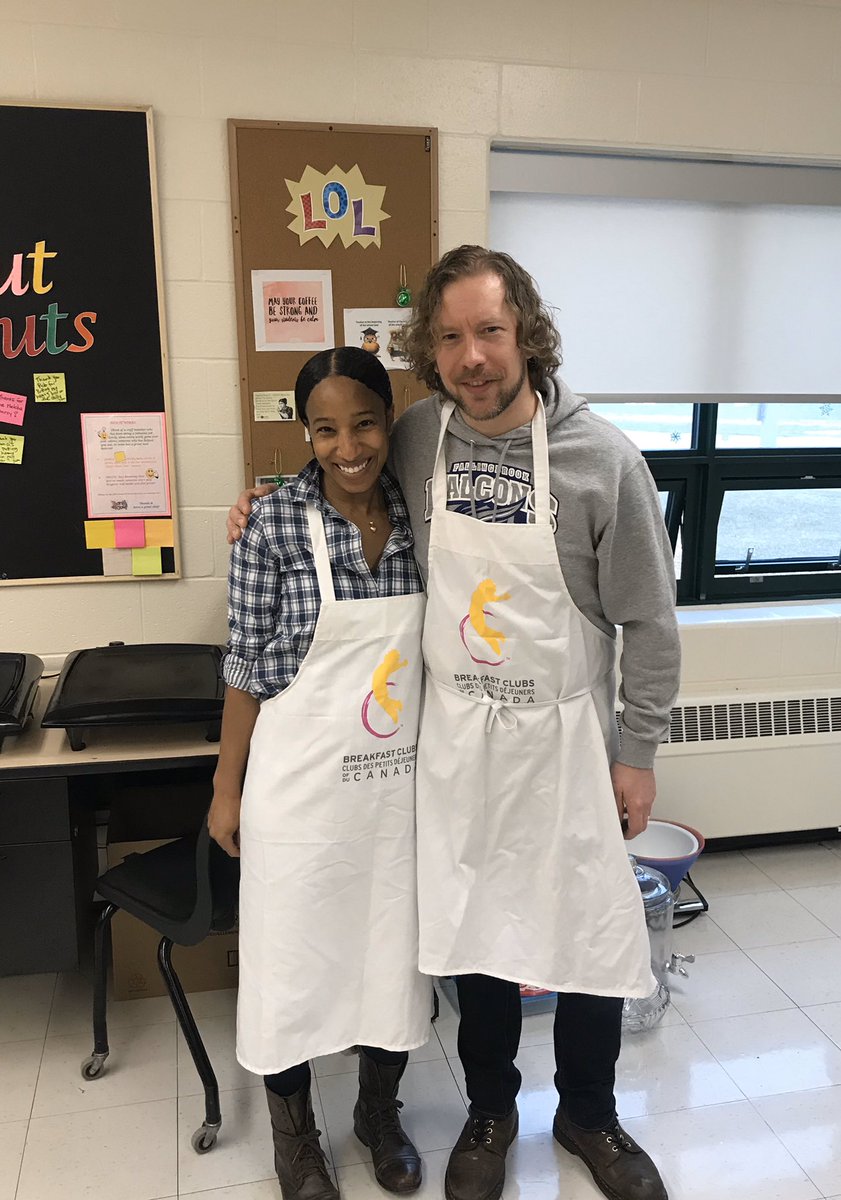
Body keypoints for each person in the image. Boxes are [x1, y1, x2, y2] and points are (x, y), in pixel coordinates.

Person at [228, 247, 681, 1200]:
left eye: (489, 331)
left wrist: (636, 754)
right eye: (449, 337)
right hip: (456, 738)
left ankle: (590, 1115)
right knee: (478, 931)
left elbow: (649, 622)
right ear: (428, 354)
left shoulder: (606, 462)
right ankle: (489, 1111)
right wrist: (255, 509)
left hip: (567, 738)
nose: (472, 355)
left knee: (589, 932)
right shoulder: (419, 436)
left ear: (526, 334)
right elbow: (334, 463)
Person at [210, 346, 431, 1200]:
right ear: (306, 433)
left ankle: (379, 1113)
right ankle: (295, 1138)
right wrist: (225, 788)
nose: (349, 447)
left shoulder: (419, 513)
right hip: (298, 794)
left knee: (390, 957)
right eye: (327, 429)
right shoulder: (270, 523)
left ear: (390, 420)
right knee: (290, 965)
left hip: (394, 790)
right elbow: (242, 667)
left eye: (365, 423)